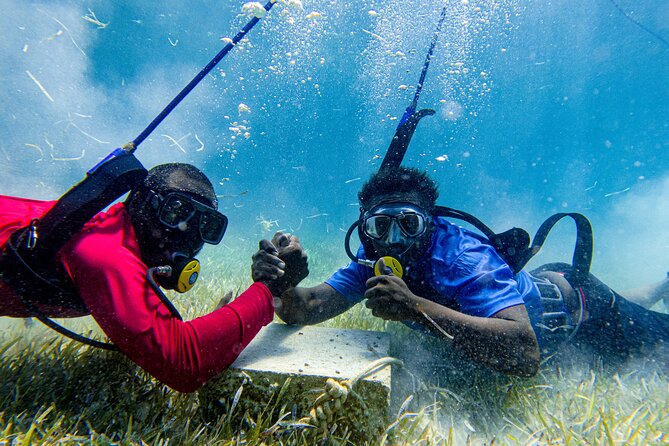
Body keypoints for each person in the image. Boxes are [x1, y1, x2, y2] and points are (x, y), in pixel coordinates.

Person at [254, 166, 669, 376]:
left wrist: (415, 307)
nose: (393, 240)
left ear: (430, 223)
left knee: (654, 335)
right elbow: (306, 309)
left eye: (408, 224)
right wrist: (286, 286)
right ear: (365, 226)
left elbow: (525, 356)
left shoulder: (461, 257)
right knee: (633, 298)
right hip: (550, 285)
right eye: (381, 226)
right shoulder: (370, 258)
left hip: (579, 308)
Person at [0, 163, 282, 393]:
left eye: (206, 225)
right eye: (175, 211)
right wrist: (268, 289)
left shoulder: (127, 240)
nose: (188, 234)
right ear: (141, 204)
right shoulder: (103, 252)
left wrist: (222, 327)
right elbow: (184, 363)